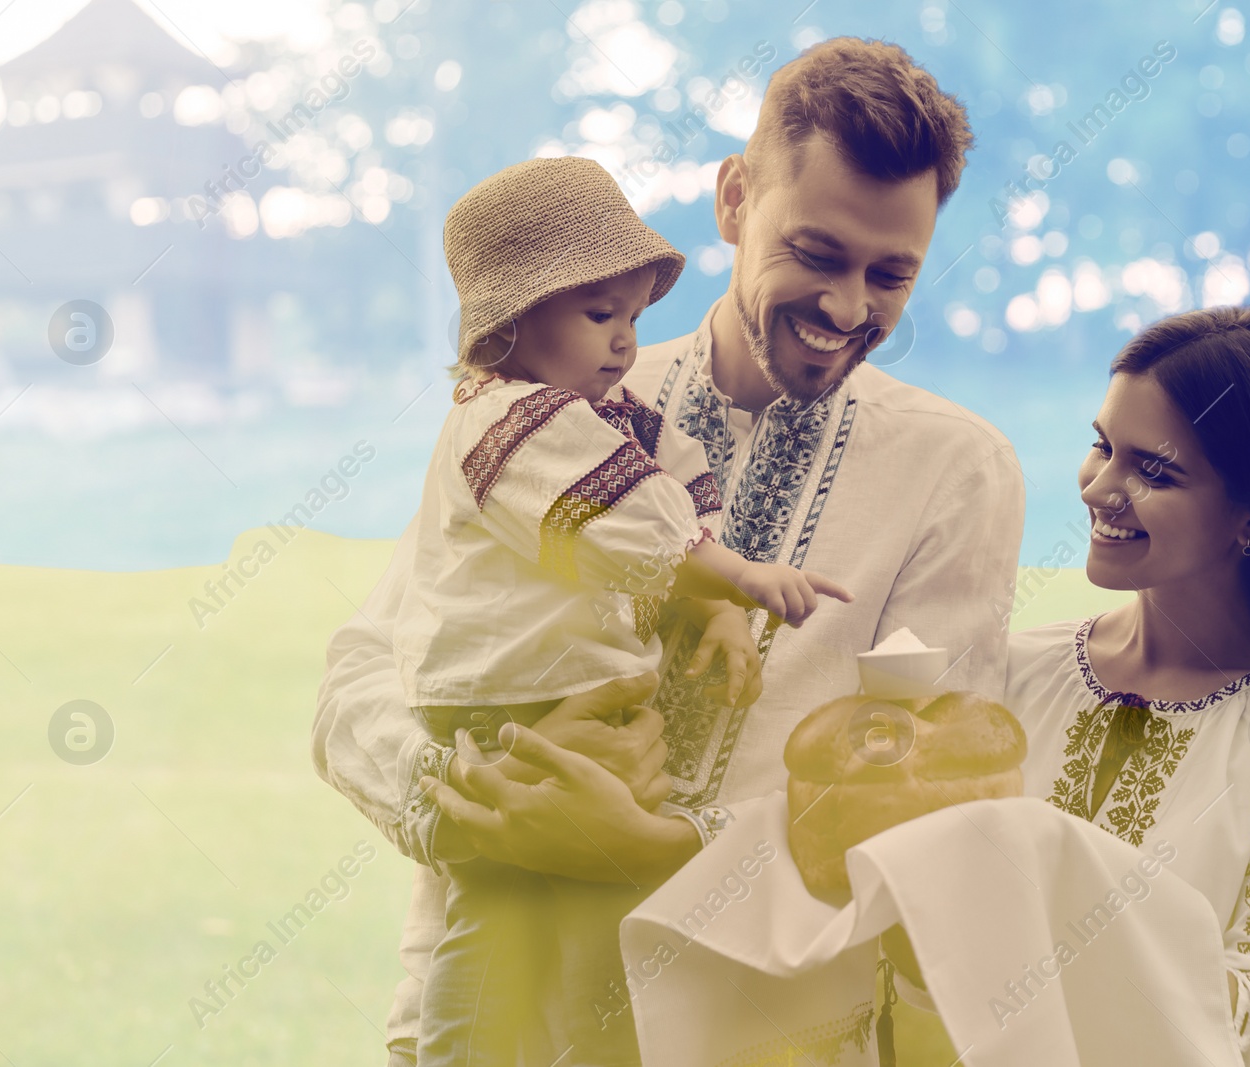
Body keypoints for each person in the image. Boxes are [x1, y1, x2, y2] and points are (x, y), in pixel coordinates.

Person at [313, 37, 1026, 1064]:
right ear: (735, 200)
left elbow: (930, 806)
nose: (845, 308)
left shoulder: (956, 473)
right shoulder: (540, 407)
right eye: (817, 254)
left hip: (755, 1032)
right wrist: (476, 804)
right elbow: (359, 677)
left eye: (890, 274)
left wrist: (670, 849)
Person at [395, 154, 850, 1063]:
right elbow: (618, 515)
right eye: (600, 315)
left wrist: (713, 605)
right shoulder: (507, 421)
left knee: (577, 917)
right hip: (508, 706)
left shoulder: (601, 412)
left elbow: (675, 472)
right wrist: (736, 574)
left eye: (635, 317)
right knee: (499, 905)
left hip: (570, 698)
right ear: (514, 323)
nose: (624, 342)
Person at [884, 305, 1250, 1065]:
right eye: (1101, 446)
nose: (1100, 487)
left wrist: (1040, 881)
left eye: (1155, 470)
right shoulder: (1006, 666)